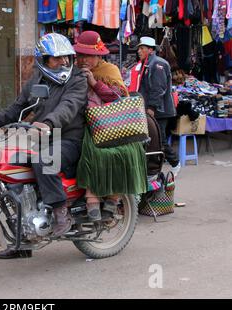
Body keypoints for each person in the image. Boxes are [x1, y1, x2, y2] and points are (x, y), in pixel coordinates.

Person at [0, 33, 88, 259]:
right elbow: (15, 109)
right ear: (43, 61)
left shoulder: (77, 79)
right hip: (42, 138)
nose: (63, 63)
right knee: (7, 167)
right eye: (56, 59)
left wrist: (48, 124)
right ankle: (23, 240)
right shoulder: (35, 82)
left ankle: (61, 212)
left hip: (69, 139)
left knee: (43, 159)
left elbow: (68, 107)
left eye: (66, 58)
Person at [74, 31, 147, 221]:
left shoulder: (110, 70)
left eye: (88, 56)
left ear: (98, 55)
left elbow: (119, 98)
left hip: (113, 124)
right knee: (92, 152)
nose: (83, 60)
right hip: (87, 125)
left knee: (123, 153)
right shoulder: (73, 71)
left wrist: (94, 83)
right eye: (80, 55)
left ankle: (113, 200)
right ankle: (92, 200)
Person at [136, 36, 181, 176]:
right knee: (151, 139)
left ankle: (175, 163)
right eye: (139, 48)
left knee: (159, 139)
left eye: (142, 48)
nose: (139, 51)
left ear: (150, 50)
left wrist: (152, 108)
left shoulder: (157, 64)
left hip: (159, 110)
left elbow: (158, 88)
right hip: (151, 109)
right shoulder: (146, 63)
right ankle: (153, 167)